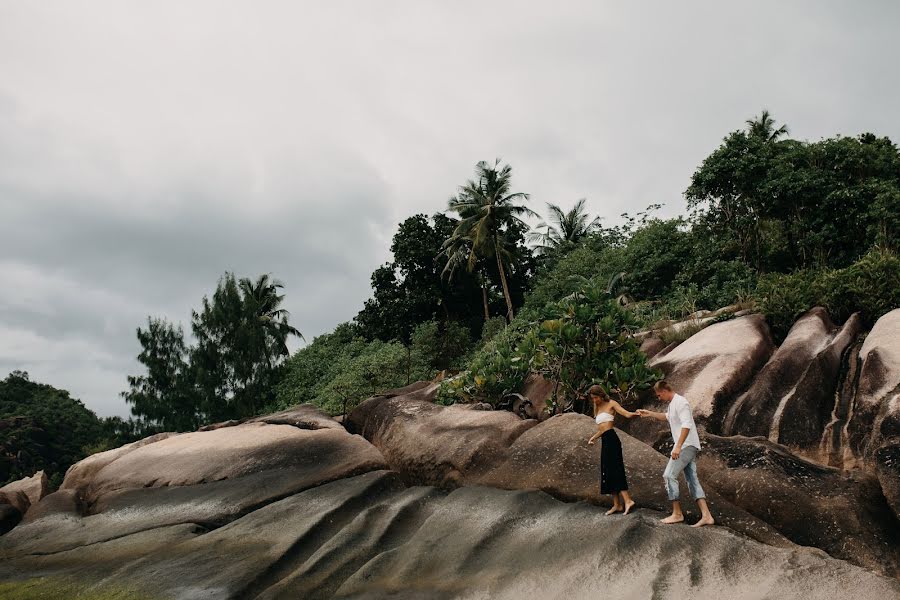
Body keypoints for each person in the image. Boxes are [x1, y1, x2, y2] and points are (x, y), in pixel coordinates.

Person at [636, 380, 715, 527]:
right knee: (692, 479)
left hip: (687, 445)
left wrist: (677, 447)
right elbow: (667, 417)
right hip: (686, 445)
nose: (659, 398)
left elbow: (687, 425)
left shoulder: (681, 403)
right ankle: (707, 516)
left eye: (659, 395)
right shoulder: (673, 404)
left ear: (665, 391)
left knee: (669, 475)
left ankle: (677, 514)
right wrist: (650, 414)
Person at [586, 384, 638, 515]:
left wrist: (635, 414)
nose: (594, 400)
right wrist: (593, 438)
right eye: (592, 398)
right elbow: (601, 429)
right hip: (605, 439)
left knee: (616, 468)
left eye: (596, 397)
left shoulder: (611, 403)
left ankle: (628, 500)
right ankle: (617, 505)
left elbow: (626, 414)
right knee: (607, 470)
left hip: (612, 439)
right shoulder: (596, 407)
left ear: (601, 395)